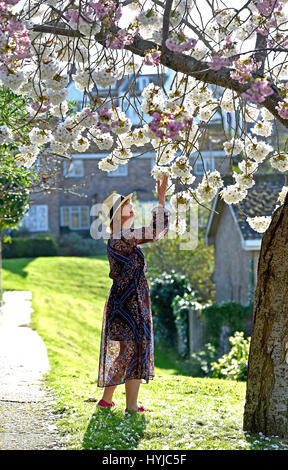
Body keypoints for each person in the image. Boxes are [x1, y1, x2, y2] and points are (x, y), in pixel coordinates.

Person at [96, 176, 170, 412]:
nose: (133, 206)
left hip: (125, 300)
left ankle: (108, 400)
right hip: (129, 302)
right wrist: (161, 197)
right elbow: (158, 230)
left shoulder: (120, 238)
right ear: (118, 213)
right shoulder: (123, 237)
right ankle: (131, 406)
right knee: (133, 349)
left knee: (127, 350)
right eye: (128, 204)